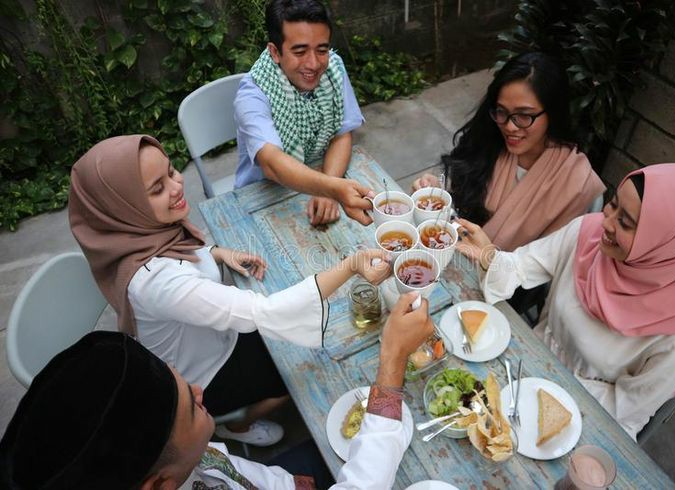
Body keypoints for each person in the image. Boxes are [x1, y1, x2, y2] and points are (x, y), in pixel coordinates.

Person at [67, 134, 391, 447]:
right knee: (295, 373)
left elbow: (184, 264)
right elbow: (266, 311)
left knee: (298, 338)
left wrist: (217, 254)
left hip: (214, 337)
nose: (177, 186)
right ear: (125, 208)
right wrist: (352, 264)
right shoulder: (154, 281)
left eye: (171, 171)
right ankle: (235, 425)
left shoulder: (143, 237)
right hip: (200, 377)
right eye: (157, 188)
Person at [0, 293, 434, 489]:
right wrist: (391, 362)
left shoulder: (173, 464)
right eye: (191, 406)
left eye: (182, 381)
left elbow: (245, 475)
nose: (200, 390)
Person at [454, 163, 675, 439]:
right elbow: (522, 266)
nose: (606, 222)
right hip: (521, 367)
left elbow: (625, 410)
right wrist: (490, 255)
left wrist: (545, 388)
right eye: (612, 205)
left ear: (670, 245)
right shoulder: (586, 234)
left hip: (577, 421)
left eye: (625, 222)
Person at [413, 52, 605, 252]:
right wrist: (437, 192)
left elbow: (550, 263)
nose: (510, 127)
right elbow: (459, 201)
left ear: (552, 113)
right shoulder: (490, 139)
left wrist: (489, 258)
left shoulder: (575, 181)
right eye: (502, 111)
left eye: (524, 115)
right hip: (449, 254)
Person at [234, 0, 371, 227]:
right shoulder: (252, 95)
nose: (314, 64)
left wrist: (329, 187)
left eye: (322, 49)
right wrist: (332, 188)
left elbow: (342, 134)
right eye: (300, 51)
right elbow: (272, 164)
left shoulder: (334, 68)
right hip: (264, 197)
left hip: (324, 178)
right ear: (275, 52)